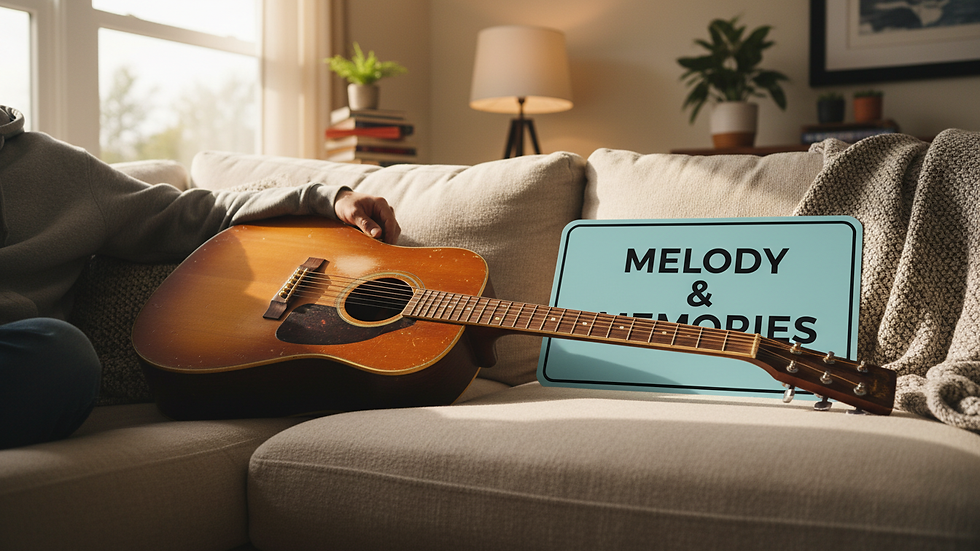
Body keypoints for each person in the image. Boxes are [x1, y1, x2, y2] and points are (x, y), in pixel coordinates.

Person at [0, 105, 400, 449]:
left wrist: (328, 198)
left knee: (64, 355)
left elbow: (197, 215)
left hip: (24, 357)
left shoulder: (60, 170)